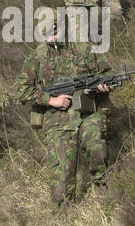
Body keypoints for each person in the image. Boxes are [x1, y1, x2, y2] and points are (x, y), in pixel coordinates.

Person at [16, 13, 112, 206]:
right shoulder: (38, 56)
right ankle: (63, 213)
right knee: (62, 173)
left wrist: (105, 86)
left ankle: (102, 190)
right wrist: (51, 100)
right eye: (46, 35)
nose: (52, 38)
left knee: (97, 147)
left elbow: (106, 73)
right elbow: (21, 90)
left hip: (88, 112)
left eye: (54, 32)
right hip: (57, 119)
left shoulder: (84, 47)